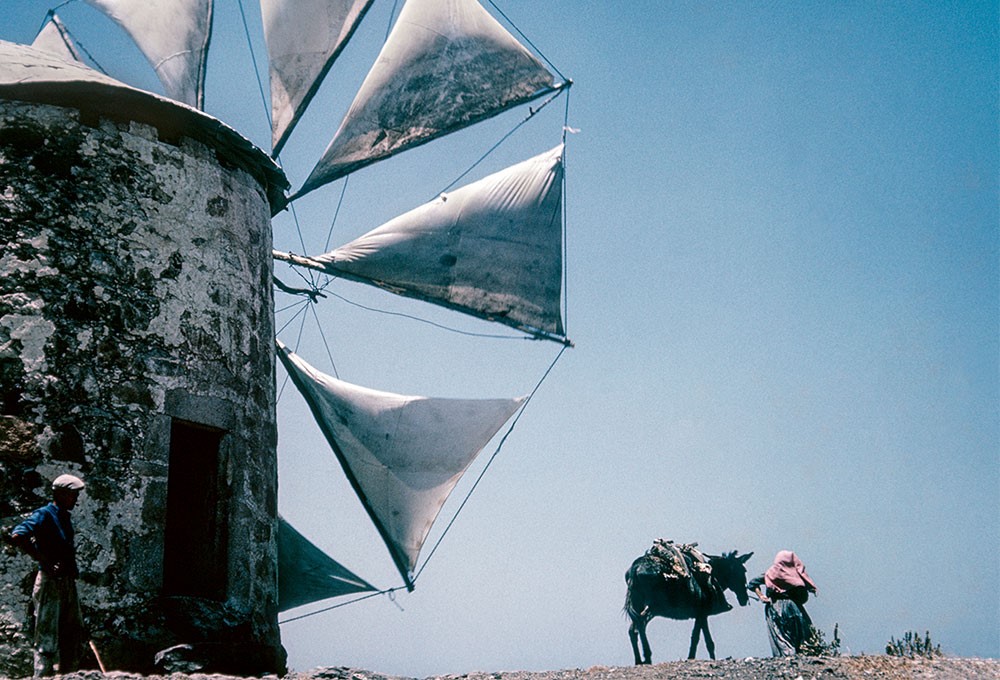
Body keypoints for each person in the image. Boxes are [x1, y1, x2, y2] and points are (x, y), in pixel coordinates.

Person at [9, 474, 87, 677]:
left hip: (67, 581)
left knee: (73, 633)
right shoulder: (44, 514)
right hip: (50, 582)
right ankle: (42, 676)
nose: (75, 500)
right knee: (47, 637)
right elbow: (18, 534)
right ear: (60, 494)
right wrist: (44, 560)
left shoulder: (62, 516)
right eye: (72, 495)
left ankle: (70, 675)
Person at [747, 550, 818, 656]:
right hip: (794, 607)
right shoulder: (797, 574)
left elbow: (752, 583)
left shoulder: (771, 573)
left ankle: (786, 659)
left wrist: (761, 596)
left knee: (781, 636)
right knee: (802, 634)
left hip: (775, 607)